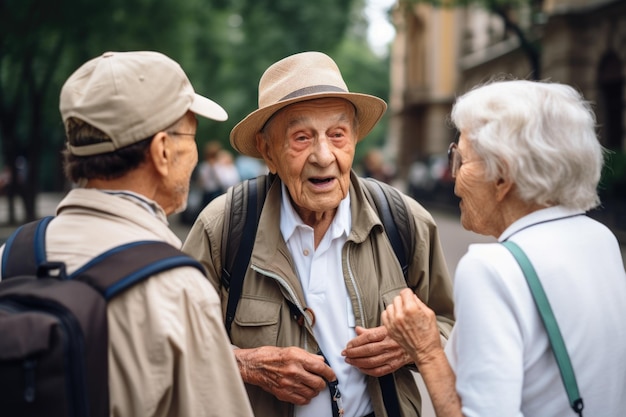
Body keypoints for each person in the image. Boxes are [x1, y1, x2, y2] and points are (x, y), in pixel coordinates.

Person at [182, 51, 455, 417]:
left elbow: (449, 327)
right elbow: (175, 346)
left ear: (355, 139)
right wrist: (245, 363)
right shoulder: (224, 226)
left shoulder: (403, 221)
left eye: (337, 134)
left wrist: (414, 346)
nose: (324, 155)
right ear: (268, 151)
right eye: (301, 137)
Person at [0, 51, 254, 417]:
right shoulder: (177, 288)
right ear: (162, 151)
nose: (195, 154)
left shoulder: (12, 255)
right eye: (191, 135)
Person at [382, 79, 626, 416]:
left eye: (461, 160)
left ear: (502, 176)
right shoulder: (601, 239)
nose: (453, 176)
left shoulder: (492, 268)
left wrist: (426, 350)